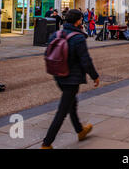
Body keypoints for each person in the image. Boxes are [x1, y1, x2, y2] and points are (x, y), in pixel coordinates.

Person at [41, 9, 100, 149]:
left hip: (58, 76)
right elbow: (85, 60)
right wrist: (95, 76)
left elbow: (47, 53)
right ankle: (46, 143)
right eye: (81, 19)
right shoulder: (78, 37)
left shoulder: (56, 34)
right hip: (71, 78)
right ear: (78, 21)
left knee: (71, 104)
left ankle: (80, 130)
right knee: (62, 111)